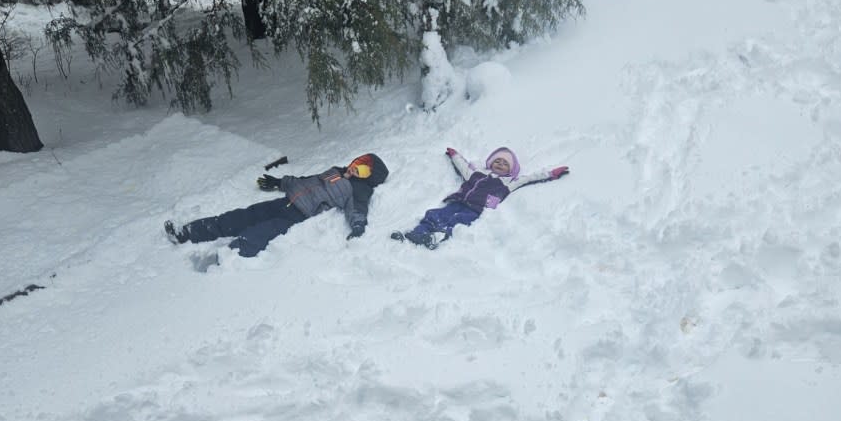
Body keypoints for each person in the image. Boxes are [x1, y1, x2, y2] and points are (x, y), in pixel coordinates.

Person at [165, 153, 389, 258]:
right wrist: (280, 182)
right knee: (242, 216)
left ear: (368, 178)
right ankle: (187, 233)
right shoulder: (337, 171)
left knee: (260, 233)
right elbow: (307, 181)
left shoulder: (358, 190)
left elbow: (357, 210)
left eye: (362, 170)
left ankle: (227, 257)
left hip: (299, 214)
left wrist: (358, 226)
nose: (354, 169)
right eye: (357, 163)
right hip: (286, 201)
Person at [391, 146, 568, 249]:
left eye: (505, 163)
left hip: (476, 209)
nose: (500, 164)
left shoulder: (509, 182)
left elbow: (531, 178)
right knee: (436, 214)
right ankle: (418, 233)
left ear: (511, 170)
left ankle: (437, 237)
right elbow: (462, 166)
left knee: (458, 220)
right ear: (491, 163)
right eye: (498, 161)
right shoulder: (476, 173)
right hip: (459, 200)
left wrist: (551, 173)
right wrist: (454, 155)